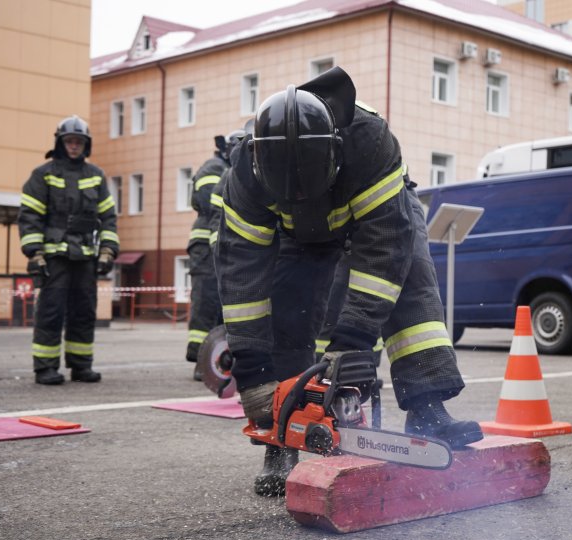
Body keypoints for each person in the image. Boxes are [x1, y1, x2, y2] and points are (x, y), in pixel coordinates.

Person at [214, 67, 482, 496]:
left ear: (334, 152)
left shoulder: (368, 141)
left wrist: (353, 339)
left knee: (410, 282)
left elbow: (384, 250)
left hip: (380, 216)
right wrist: (254, 372)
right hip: (297, 236)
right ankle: (284, 440)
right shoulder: (244, 174)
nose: (301, 193)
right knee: (288, 309)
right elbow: (242, 279)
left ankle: (428, 408)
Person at [18, 115, 119, 385]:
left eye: (78, 142)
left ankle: (81, 366)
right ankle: (45, 368)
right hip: (54, 257)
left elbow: (108, 216)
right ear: (60, 143)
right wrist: (35, 252)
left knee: (84, 311)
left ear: (86, 145)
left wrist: (108, 249)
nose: (74, 146)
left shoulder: (95, 175)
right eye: (69, 141)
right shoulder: (43, 175)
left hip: (85, 256)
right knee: (51, 311)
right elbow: (30, 217)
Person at [185, 131, 244, 380]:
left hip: (223, 243)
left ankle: (218, 359)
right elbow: (207, 202)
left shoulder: (235, 171)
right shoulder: (214, 167)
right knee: (207, 303)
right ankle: (201, 360)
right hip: (205, 245)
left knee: (222, 305)